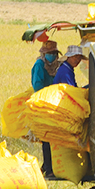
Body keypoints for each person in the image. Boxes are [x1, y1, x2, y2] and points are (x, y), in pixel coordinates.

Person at [30, 40, 61, 177]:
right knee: (47, 137)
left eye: (53, 53)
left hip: (53, 102)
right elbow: (37, 85)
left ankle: (47, 166)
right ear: (44, 54)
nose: (52, 56)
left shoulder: (55, 66)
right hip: (43, 103)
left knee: (53, 137)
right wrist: (48, 94)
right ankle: (48, 169)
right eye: (49, 53)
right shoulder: (39, 65)